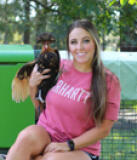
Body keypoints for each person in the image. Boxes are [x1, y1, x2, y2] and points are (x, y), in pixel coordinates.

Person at [6, 19, 121, 160]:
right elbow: (39, 106)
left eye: (86, 40)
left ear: (95, 42)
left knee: (51, 159)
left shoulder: (108, 80)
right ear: (68, 46)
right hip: (46, 133)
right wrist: (33, 86)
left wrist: (68, 145)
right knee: (23, 140)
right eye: (73, 42)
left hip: (80, 148)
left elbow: (104, 129)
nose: (80, 47)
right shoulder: (60, 67)